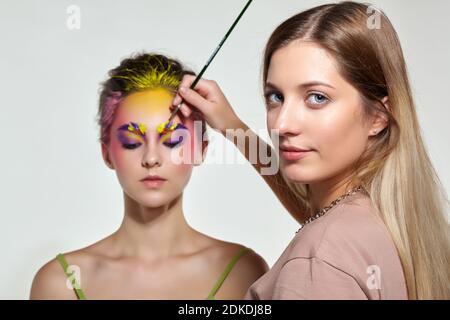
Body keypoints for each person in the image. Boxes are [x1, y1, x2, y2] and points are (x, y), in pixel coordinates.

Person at [171, 2, 450, 299]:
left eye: (317, 97)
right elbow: (317, 213)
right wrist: (233, 128)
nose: (281, 123)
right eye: (276, 96)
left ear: (378, 117)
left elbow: (322, 239)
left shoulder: (319, 261)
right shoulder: (385, 222)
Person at [30, 53, 268, 300]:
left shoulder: (244, 272)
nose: (151, 158)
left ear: (201, 149)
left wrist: (232, 125)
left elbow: (310, 214)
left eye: (173, 141)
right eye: (132, 143)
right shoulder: (60, 282)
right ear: (107, 153)